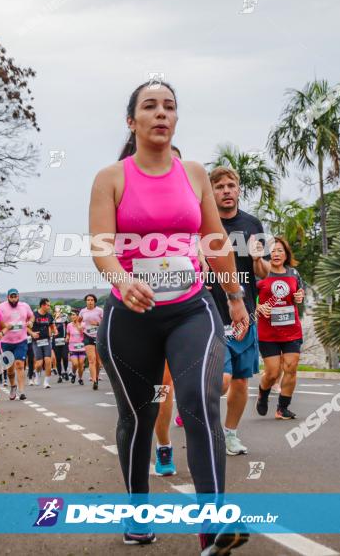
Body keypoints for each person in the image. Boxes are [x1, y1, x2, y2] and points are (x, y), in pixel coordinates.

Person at [89, 80, 249, 553]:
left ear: (176, 118)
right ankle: (138, 513)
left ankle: (213, 527)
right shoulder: (111, 177)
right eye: (150, 107)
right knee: (137, 418)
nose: (161, 114)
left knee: (201, 399)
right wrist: (122, 280)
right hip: (130, 315)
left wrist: (235, 297)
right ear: (131, 121)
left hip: (191, 310)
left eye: (170, 107)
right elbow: (101, 246)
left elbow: (214, 241)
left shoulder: (194, 173)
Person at [206, 165, 270, 455]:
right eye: (219, 187)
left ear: (239, 188)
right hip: (210, 313)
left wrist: (258, 259)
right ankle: (201, 415)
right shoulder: (203, 224)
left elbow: (265, 271)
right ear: (212, 192)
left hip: (244, 314)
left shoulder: (252, 224)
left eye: (231, 185)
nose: (226, 191)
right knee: (220, 382)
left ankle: (230, 434)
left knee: (241, 379)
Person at [154, 144, 186, 477]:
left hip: (189, 312)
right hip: (148, 313)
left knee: (211, 383)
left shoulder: (193, 208)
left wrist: (234, 297)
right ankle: (163, 446)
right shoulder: (132, 205)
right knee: (160, 389)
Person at [254, 237, 305, 420]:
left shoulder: (293, 273)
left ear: (286, 254)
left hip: (291, 329)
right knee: (273, 372)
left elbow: (300, 292)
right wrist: (258, 307)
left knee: (291, 367)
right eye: (273, 251)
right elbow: (248, 299)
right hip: (268, 332)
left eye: (280, 251)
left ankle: (282, 408)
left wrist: (300, 296)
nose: (276, 254)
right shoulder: (260, 274)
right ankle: (263, 393)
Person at [0, 288, 34, 400]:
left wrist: (31, 321)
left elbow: (31, 316)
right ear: (8, 297)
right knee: (10, 368)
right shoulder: (0, 308)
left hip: (21, 340)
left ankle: (21, 391)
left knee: (19, 364)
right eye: (11, 297)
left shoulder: (25, 306)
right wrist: (3, 328)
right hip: (6, 342)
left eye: (15, 296)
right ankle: (13, 386)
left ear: (18, 296)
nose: (13, 299)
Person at [79, 294, 104, 390]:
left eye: (92, 300)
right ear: (86, 301)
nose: (90, 301)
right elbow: (78, 321)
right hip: (87, 336)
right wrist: (80, 327)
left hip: (98, 336)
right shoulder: (83, 311)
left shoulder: (99, 310)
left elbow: (105, 322)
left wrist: (98, 323)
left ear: (94, 301)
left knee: (98, 361)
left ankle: (96, 377)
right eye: (88, 300)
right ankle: (94, 381)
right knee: (91, 360)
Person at [31, 298, 56, 388]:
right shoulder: (34, 315)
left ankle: (46, 382)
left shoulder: (49, 315)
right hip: (36, 341)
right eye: (48, 305)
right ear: (42, 305)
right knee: (39, 364)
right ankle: (37, 375)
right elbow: (28, 327)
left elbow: (52, 326)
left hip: (46, 340)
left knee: (48, 361)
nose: (49, 307)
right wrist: (32, 333)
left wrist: (55, 331)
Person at [67, 310, 86, 385]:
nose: (72, 316)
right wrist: (67, 337)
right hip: (72, 347)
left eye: (74, 315)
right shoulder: (69, 325)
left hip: (82, 346)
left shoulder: (83, 324)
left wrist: (78, 323)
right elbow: (68, 334)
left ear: (78, 316)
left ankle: (80, 378)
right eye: (71, 315)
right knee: (75, 364)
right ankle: (74, 374)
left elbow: (81, 331)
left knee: (81, 364)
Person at [51, 306, 70, 382]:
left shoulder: (64, 318)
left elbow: (68, 327)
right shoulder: (52, 320)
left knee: (65, 357)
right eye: (56, 311)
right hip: (55, 340)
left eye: (59, 311)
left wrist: (68, 336)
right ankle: (60, 376)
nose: (58, 312)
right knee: (58, 359)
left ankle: (65, 371)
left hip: (64, 340)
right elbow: (51, 329)